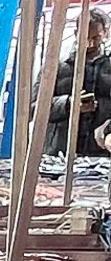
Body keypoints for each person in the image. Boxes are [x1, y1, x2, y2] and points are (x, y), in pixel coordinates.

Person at [48, 8, 111, 156]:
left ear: (105, 34)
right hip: (58, 155)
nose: (90, 44)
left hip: (100, 154)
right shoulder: (56, 66)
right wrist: (69, 104)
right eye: (85, 37)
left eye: (96, 38)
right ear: (76, 34)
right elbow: (32, 108)